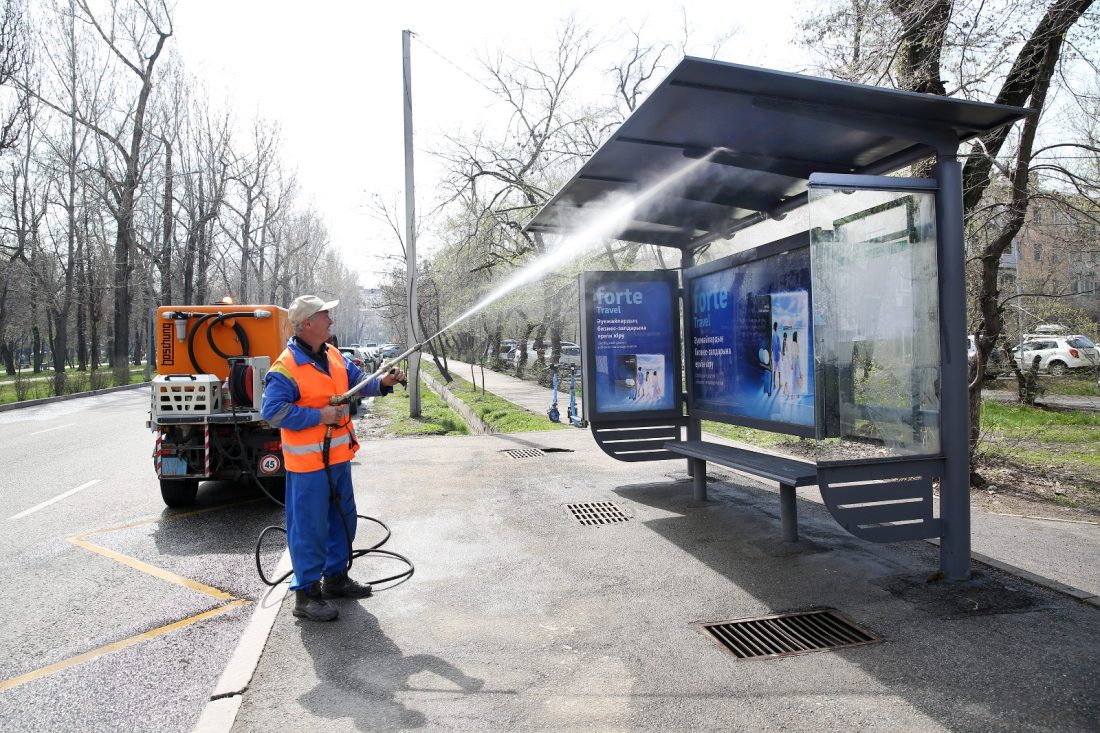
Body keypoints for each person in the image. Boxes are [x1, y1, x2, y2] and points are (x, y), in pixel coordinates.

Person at [261, 295, 405, 622]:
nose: (331, 320)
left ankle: (335, 578)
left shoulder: (333, 355)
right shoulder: (286, 366)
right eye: (325, 315)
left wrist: (383, 382)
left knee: (343, 519)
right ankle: (306, 594)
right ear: (307, 322)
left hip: (338, 460)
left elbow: (357, 384)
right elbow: (272, 412)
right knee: (309, 529)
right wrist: (319, 415)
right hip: (308, 467)